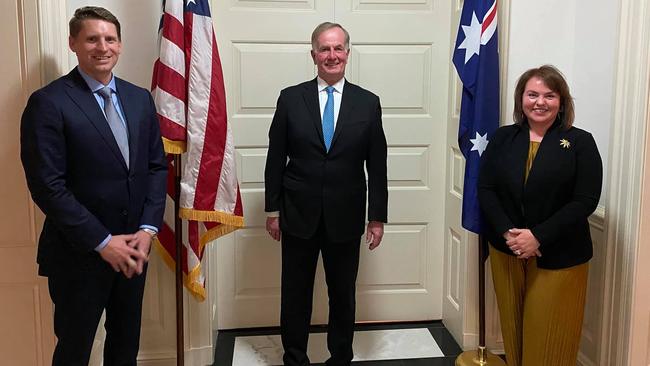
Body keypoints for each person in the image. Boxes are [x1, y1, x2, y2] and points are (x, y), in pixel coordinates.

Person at [20, 6, 167, 366]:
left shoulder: (138, 99)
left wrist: (147, 230)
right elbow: (47, 186)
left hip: (134, 249)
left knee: (125, 347)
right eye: (92, 38)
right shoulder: (48, 103)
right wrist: (102, 242)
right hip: (79, 255)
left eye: (110, 38)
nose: (102, 47)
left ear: (120, 44)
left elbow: (155, 167)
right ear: (73, 43)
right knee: (74, 351)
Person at [264, 22, 388, 366]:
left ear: (347, 53)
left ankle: (340, 357)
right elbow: (276, 157)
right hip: (297, 214)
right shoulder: (291, 98)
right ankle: (294, 358)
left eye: (338, 49)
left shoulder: (368, 103)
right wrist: (272, 211)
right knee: (295, 295)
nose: (331, 56)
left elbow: (377, 166)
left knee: (343, 295)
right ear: (313, 55)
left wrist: (376, 217)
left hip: (346, 216)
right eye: (324, 49)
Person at [478, 65, 603, 366]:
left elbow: (584, 200)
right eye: (532, 94)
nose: (540, 102)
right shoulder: (503, 138)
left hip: (560, 256)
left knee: (548, 339)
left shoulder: (580, 142)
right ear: (521, 99)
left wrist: (537, 236)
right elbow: (486, 189)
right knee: (514, 332)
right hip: (507, 250)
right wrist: (510, 233)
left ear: (562, 102)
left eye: (549, 95)